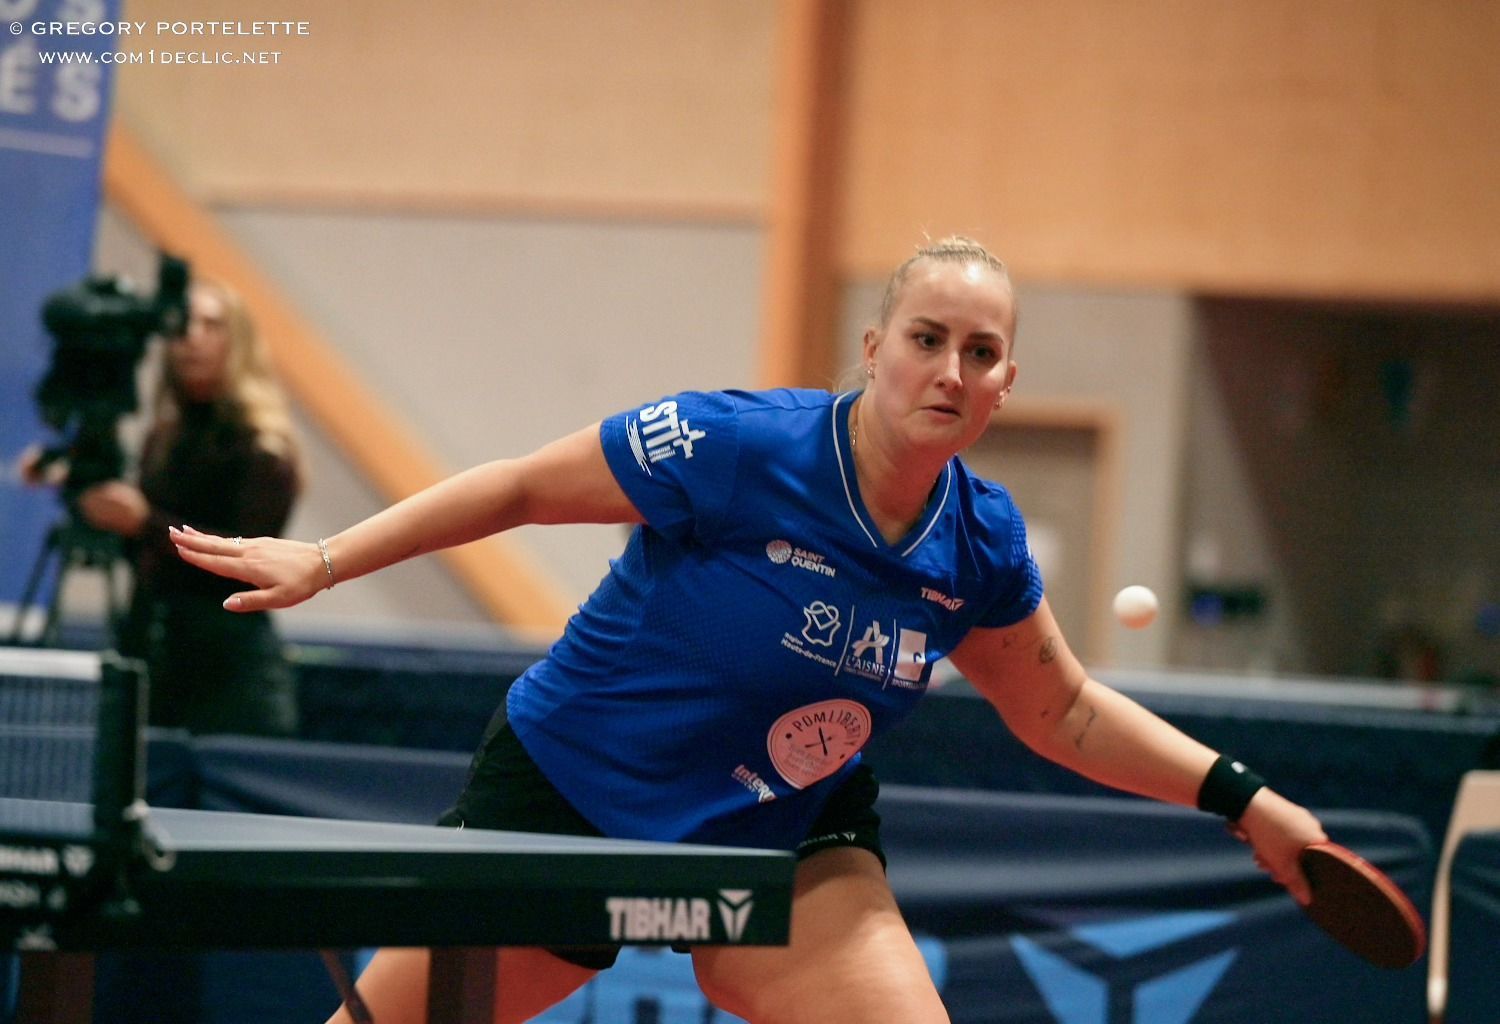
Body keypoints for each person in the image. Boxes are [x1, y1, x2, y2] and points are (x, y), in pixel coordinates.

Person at [171, 237, 1327, 1024]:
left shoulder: (980, 541)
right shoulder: (736, 445)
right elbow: (521, 487)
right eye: (926, 338)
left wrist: (1246, 798)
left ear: (1004, 382)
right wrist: (327, 558)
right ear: (873, 348)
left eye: (980, 354)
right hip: (573, 793)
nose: (950, 370)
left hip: (787, 834)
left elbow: (1062, 709)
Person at [37, 277, 304, 736]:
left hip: (228, 682)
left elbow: (246, 560)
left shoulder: (264, 448)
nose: (192, 338)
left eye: (211, 325)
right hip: (155, 666)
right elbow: (144, 556)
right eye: (183, 325)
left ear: (238, 342)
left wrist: (145, 522)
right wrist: (85, 493)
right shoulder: (163, 439)